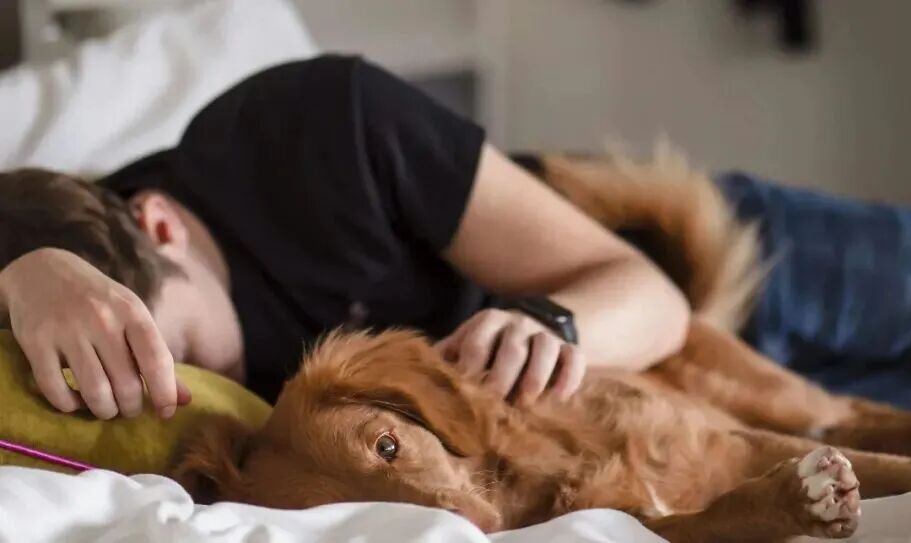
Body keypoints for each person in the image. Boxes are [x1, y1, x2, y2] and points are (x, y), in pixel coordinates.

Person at [0, 55, 690, 420]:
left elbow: (655, 295)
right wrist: (23, 273)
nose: (186, 397)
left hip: (646, 228)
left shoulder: (329, 124)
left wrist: (549, 326)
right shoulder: (43, 299)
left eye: (178, 354)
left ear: (161, 226)